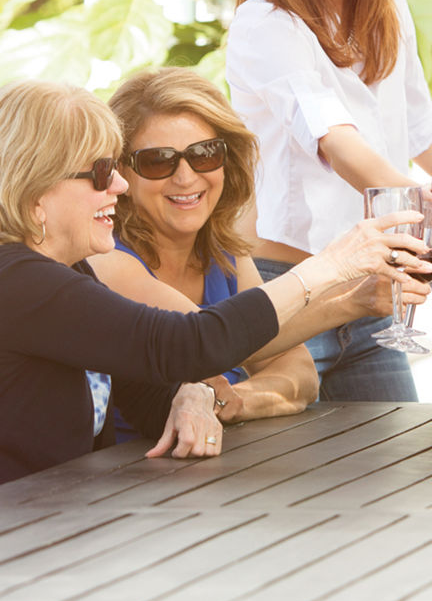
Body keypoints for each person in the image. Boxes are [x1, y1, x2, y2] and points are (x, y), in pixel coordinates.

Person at [0, 79, 431, 484]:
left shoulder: (65, 271)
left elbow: (147, 387)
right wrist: (332, 265)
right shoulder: (19, 282)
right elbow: (187, 344)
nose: (119, 184)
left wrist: (196, 397)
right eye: (99, 172)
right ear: (37, 192)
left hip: (66, 519)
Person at [227, 0, 432, 402]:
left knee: (393, 479)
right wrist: (423, 206)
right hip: (289, 291)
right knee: (283, 488)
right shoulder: (263, 25)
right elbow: (334, 139)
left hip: (372, 295)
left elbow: (425, 132)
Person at [89, 68, 318, 431]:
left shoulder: (224, 253)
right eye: (158, 160)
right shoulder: (107, 260)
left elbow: (300, 373)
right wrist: (344, 282)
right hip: (129, 476)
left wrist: (229, 401)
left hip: (223, 461)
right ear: (122, 174)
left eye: (205, 154)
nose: (185, 177)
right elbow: (205, 340)